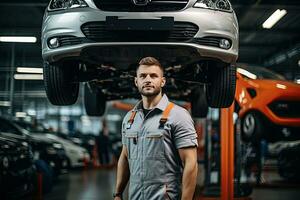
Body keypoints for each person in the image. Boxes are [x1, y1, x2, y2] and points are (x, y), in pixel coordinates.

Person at [113, 57, 198, 200]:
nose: (148, 79)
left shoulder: (178, 115)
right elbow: (125, 156)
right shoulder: (129, 118)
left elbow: (191, 163)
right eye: (143, 76)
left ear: (162, 81)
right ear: (136, 81)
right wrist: (118, 193)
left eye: (153, 76)